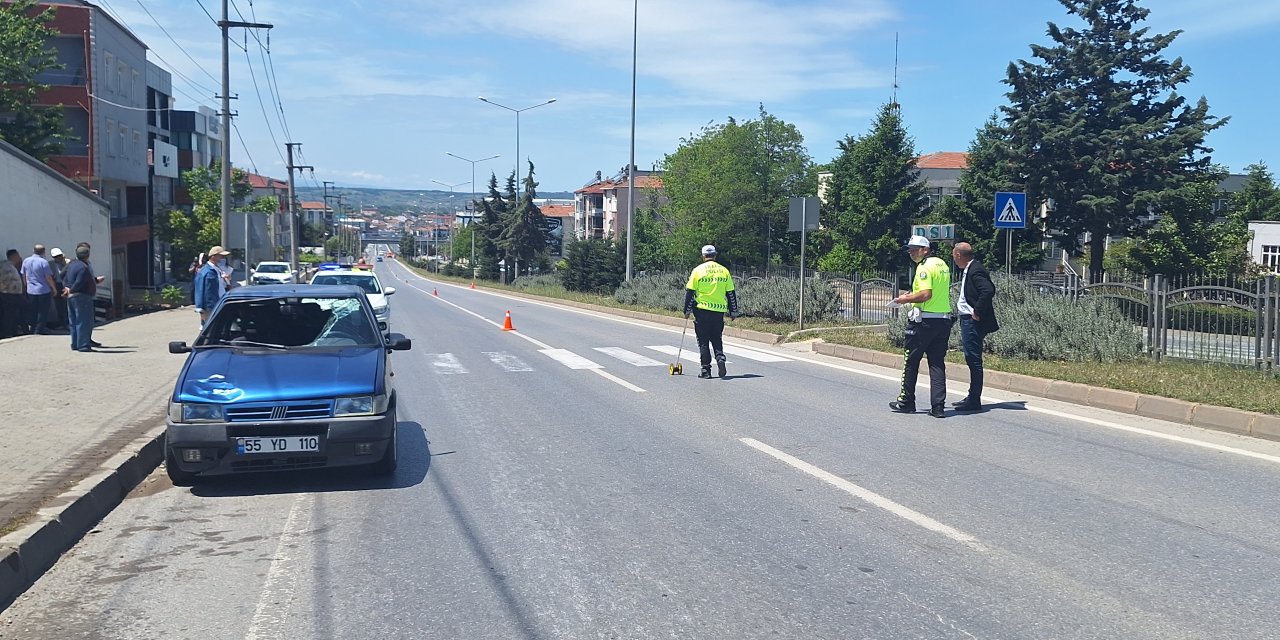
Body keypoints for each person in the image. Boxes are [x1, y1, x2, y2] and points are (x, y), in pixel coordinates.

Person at [889, 235, 953, 418]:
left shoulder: (924, 267)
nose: (910, 252)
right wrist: (914, 294)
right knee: (937, 363)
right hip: (942, 320)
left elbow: (926, 294)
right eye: (909, 249)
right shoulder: (942, 264)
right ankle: (938, 406)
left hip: (923, 322)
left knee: (911, 361)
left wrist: (904, 299)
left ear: (926, 249)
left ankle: (906, 401)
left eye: (915, 249)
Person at [951, 242, 999, 412]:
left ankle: (974, 399)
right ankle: (972, 396)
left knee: (973, 359)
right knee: (971, 358)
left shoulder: (975, 269)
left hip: (972, 321)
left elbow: (988, 290)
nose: (953, 259)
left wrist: (977, 311)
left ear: (958, 255)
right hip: (967, 320)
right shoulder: (970, 268)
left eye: (953, 255)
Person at [683, 244, 740, 379]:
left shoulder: (697, 271)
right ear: (715, 255)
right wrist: (734, 311)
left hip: (702, 310)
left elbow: (690, 292)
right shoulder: (724, 271)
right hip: (718, 311)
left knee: (703, 341)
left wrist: (686, 310)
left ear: (703, 256)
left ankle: (706, 370)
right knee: (716, 337)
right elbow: (730, 293)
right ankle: (720, 358)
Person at [62, 243, 105, 352]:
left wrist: (67, 288)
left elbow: (63, 276)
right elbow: (80, 282)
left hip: (71, 296)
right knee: (84, 321)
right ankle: (83, 345)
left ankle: (75, 343)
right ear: (87, 255)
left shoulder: (71, 264)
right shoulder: (84, 267)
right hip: (82, 296)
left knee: (74, 321)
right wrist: (72, 289)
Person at [21, 244, 57, 335]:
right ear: (43, 252)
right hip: (43, 290)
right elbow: (48, 277)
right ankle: (40, 329)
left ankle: (32, 328)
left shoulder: (26, 261)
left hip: (31, 290)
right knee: (43, 310)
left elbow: (24, 275)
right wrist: (53, 288)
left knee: (33, 310)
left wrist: (25, 286)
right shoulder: (43, 262)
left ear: (33, 251)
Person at [194, 245, 232, 327]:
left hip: (219, 304)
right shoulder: (206, 272)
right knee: (209, 330)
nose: (222, 258)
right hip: (210, 308)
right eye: (221, 256)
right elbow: (200, 290)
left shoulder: (217, 270)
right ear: (213, 257)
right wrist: (201, 309)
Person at [0, 248, 23, 339]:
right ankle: (7, 332)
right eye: (17, 255)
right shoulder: (5, 266)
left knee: (14, 314)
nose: (19, 257)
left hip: (14, 294)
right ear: (13, 256)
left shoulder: (12, 266)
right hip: (8, 293)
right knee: (8, 315)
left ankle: (14, 330)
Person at [48, 248, 69, 330]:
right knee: (58, 305)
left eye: (59, 256)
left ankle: (67, 322)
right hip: (57, 284)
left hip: (65, 284)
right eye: (56, 256)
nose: (58, 258)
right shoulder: (51, 264)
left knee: (66, 304)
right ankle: (62, 323)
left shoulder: (67, 262)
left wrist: (64, 262)